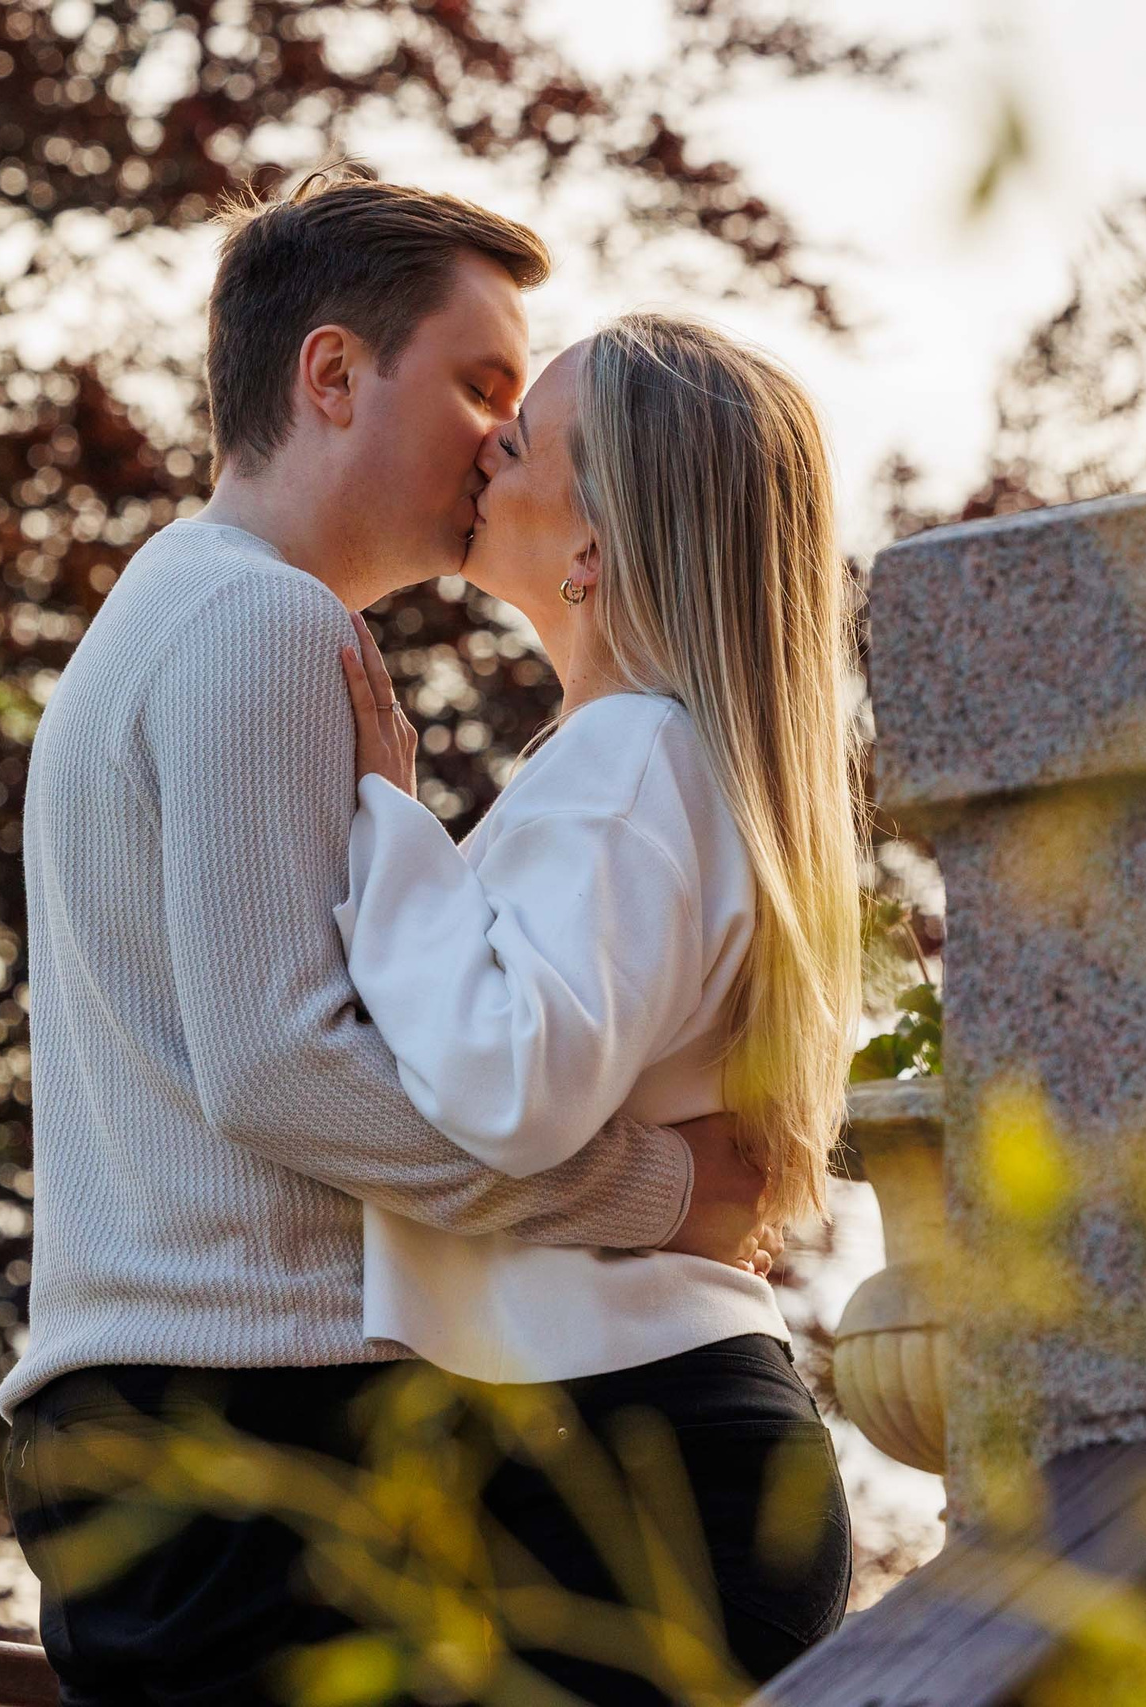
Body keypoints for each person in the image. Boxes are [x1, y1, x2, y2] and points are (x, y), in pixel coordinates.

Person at [0, 169, 777, 1706]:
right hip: (252, 1421)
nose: (504, 439)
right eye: (483, 383)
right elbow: (284, 1070)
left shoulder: (174, 609)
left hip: (174, 1419)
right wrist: (662, 1187)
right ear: (335, 377)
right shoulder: (261, 623)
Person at [334, 312, 861, 1699]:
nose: (484, 450)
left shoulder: (631, 759)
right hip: (633, 1453)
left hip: (637, 1473)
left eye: (523, 438)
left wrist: (386, 826)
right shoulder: (652, 758)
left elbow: (511, 1082)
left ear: (598, 546)